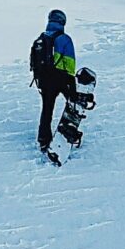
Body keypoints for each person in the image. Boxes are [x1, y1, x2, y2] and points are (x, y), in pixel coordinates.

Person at [29, 9, 78, 165]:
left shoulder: (40, 39)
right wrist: (71, 83)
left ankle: (43, 139)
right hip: (61, 78)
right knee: (73, 106)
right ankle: (69, 132)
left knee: (47, 110)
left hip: (44, 80)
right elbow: (69, 63)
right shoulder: (64, 39)